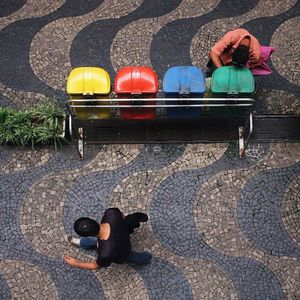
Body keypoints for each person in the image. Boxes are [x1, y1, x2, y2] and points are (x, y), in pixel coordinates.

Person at [63, 207, 152, 270]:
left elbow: (95, 265)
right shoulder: (111, 213)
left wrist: (75, 263)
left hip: (123, 252)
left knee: (131, 257)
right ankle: (147, 257)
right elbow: (122, 216)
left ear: (89, 235)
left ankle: (147, 258)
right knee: (95, 242)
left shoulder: (105, 253)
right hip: (123, 234)